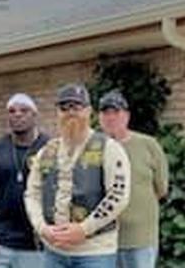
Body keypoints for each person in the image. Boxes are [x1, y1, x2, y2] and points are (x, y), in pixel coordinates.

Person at [24, 84, 131, 268]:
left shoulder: (109, 148)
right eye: (64, 108)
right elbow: (32, 193)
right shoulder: (46, 152)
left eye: (76, 107)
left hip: (95, 252)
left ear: (88, 111)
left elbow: (118, 195)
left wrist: (84, 229)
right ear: (57, 112)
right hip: (54, 252)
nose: (70, 112)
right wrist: (42, 228)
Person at [0, 94, 50, 268]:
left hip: (35, 244)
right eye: (12, 111)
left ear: (34, 115)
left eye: (24, 110)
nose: (17, 115)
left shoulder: (50, 147)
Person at [98, 91, 168, 268]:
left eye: (116, 112)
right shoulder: (94, 147)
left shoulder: (149, 145)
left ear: (127, 116)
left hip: (140, 239)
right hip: (103, 240)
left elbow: (161, 189)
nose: (110, 117)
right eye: (105, 112)